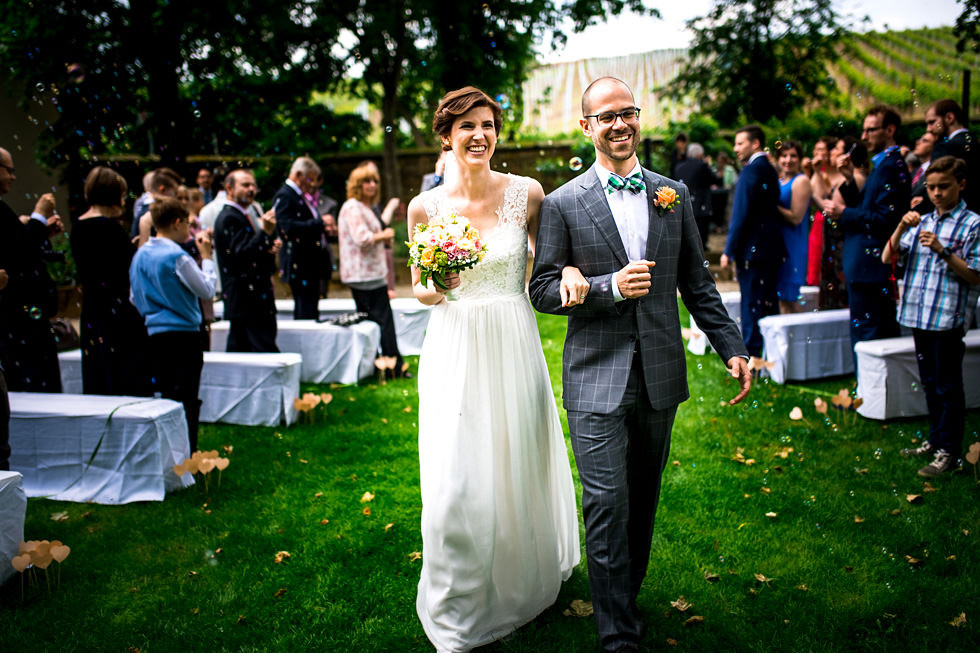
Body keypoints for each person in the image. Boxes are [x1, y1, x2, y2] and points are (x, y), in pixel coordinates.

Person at [529, 77, 751, 652]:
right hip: (594, 377)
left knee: (641, 499)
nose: (620, 124)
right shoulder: (562, 203)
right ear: (586, 127)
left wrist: (733, 348)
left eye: (627, 113)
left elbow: (698, 284)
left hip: (659, 376)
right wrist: (605, 286)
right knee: (605, 501)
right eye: (606, 117)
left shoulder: (670, 192)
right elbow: (544, 289)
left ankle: (623, 595)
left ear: (637, 117)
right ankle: (617, 634)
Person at [408, 87, 580, 651]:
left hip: (513, 338)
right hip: (455, 343)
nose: (479, 135)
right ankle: (458, 595)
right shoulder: (424, 208)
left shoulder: (527, 194)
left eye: (487, 124)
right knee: (455, 475)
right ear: (446, 137)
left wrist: (576, 273)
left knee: (514, 458)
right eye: (466, 127)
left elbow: (556, 255)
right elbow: (418, 290)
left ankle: (520, 574)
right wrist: (441, 284)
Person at [883, 156, 980, 477]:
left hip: (948, 319)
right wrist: (900, 226)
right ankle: (935, 440)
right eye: (931, 187)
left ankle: (949, 452)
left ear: (961, 185)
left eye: (943, 187)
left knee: (947, 386)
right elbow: (888, 256)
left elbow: (976, 276)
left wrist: (942, 249)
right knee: (929, 382)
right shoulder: (922, 221)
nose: (936, 193)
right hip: (918, 315)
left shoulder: (972, 224)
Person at [130, 197, 218, 453]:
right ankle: (186, 452)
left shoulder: (140, 255)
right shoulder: (177, 256)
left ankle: (166, 453)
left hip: (155, 334)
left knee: (167, 395)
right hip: (185, 335)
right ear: (177, 222)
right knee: (188, 397)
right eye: (188, 225)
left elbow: (134, 297)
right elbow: (207, 290)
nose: (190, 232)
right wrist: (207, 257)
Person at [827, 106, 909, 354]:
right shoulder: (883, 164)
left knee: (869, 334)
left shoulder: (891, 166)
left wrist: (844, 213)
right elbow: (867, 208)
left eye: (870, 130)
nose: (863, 137)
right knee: (870, 330)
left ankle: (868, 391)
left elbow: (885, 219)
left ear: (890, 130)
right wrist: (849, 181)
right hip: (865, 264)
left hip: (871, 264)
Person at [70, 167, 152, 396]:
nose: (124, 201)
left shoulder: (79, 226)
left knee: (100, 369)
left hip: (93, 307)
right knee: (123, 372)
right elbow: (133, 271)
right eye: (123, 195)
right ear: (113, 195)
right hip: (117, 311)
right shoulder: (110, 228)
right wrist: (144, 239)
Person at [0, 147, 62, 393]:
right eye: (9, 170)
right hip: (18, 320)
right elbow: (19, 255)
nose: (14, 177)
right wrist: (38, 215)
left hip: (25, 317)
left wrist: (39, 230)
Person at [338, 163, 407, 377]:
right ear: (357, 185)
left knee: (376, 322)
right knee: (381, 322)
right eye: (366, 181)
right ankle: (392, 366)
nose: (372, 185)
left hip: (371, 273)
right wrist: (384, 236)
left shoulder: (365, 208)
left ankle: (382, 365)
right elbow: (362, 238)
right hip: (363, 274)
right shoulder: (352, 207)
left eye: (375, 181)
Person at [721, 125, 784, 357]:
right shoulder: (769, 168)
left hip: (752, 251)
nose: (736, 148)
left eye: (740, 143)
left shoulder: (750, 171)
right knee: (768, 302)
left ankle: (753, 355)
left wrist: (729, 249)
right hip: (772, 248)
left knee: (751, 303)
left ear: (755, 143)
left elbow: (741, 214)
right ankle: (773, 355)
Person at [214, 170, 280, 352]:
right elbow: (241, 255)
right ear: (229, 188)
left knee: (240, 347)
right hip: (247, 297)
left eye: (253, 185)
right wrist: (264, 233)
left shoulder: (243, 214)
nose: (251, 189)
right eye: (245, 185)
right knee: (262, 348)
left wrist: (269, 247)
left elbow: (251, 252)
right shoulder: (229, 217)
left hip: (251, 296)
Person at [274, 156, 332, 319]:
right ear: (299, 175)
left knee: (311, 306)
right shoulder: (286, 195)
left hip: (308, 263)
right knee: (305, 308)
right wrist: (319, 223)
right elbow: (287, 228)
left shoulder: (297, 195)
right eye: (310, 179)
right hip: (299, 264)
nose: (312, 185)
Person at [775, 140, 812, 313]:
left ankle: (798, 338)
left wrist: (769, 204)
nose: (788, 160)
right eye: (784, 156)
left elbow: (796, 217)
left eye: (793, 156)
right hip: (780, 245)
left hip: (793, 245)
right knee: (781, 298)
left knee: (790, 297)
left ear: (800, 159)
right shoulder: (779, 180)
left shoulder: (801, 180)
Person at [926, 99, 979, 211]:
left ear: (949, 118)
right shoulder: (975, 142)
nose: (928, 129)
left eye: (932, 122)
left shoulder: (945, 147)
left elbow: (935, 181)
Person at [674, 142, 721, 250]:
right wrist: (709, 165)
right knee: (701, 229)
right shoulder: (702, 166)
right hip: (700, 204)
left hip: (683, 202)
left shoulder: (679, 166)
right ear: (700, 154)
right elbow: (714, 180)